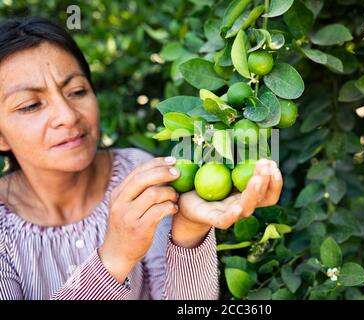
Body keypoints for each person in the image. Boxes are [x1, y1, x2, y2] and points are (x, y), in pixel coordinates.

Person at [0, 17, 283, 300]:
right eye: (31, 105)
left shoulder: (136, 174)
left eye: (77, 91)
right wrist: (114, 258)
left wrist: (189, 230)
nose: (68, 115)